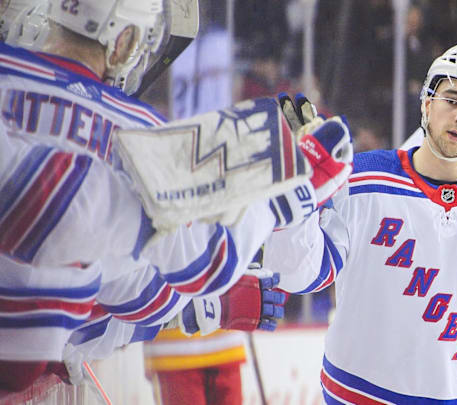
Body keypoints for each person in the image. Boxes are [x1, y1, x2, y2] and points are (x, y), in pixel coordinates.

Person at [0, 0, 351, 391]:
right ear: (123, 40)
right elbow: (199, 264)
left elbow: (103, 295)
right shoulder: (138, 132)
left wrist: (197, 305)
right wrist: (276, 199)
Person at [264, 44, 457, 404]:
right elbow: (299, 274)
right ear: (426, 102)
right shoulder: (361, 178)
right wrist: (298, 198)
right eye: (451, 100)